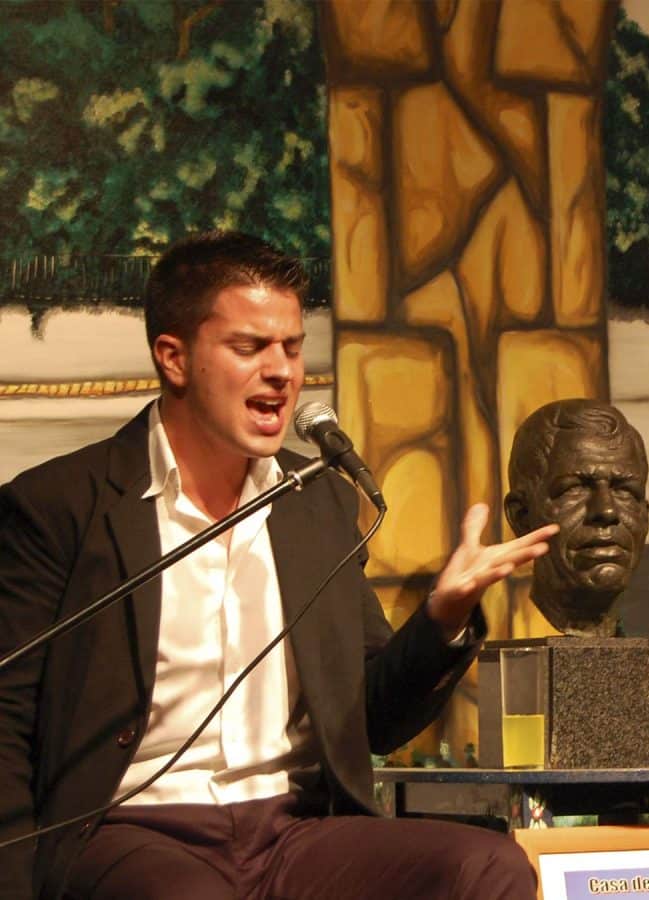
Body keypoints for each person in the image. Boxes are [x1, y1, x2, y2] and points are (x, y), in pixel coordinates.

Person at [0, 231, 557, 900]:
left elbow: (372, 717)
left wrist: (443, 616)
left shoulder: (315, 499)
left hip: (293, 831)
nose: (282, 371)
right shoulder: (59, 506)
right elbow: (7, 722)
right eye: (250, 347)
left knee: (489, 868)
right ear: (173, 358)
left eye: (292, 347)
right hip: (131, 832)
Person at [504, 399, 649, 637]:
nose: (607, 511)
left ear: (645, 515)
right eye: (575, 488)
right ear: (522, 516)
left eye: (624, 489)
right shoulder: (506, 632)